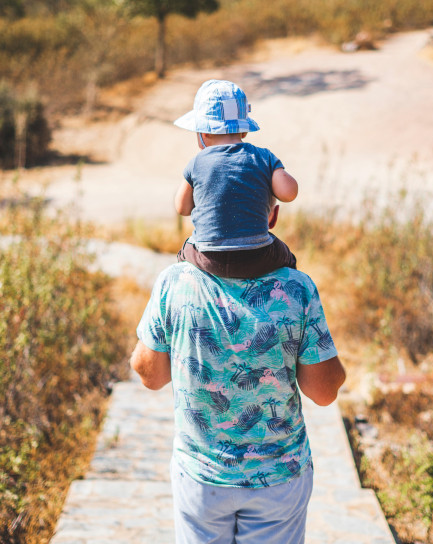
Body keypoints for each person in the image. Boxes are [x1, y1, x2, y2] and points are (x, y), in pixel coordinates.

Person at [130, 202, 346, 544]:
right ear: (272, 214)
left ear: (198, 214)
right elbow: (325, 392)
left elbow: (150, 375)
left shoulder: (175, 282)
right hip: (278, 479)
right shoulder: (296, 288)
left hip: (201, 477)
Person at [173, 79, 300, 279]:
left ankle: (185, 282)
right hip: (258, 256)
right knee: (287, 256)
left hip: (208, 258)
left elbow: (182, 208)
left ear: (203, 133)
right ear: (244, 130)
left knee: (183, 254)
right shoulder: (263, 157)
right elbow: (288, 193)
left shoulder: (197, 162)